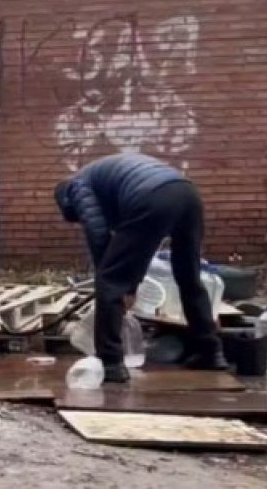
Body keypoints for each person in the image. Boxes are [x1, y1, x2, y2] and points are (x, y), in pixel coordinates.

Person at [54, 152, 227, 383]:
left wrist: (113, 279)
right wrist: (130, 285)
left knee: (108, 281)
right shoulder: (104, 183)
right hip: (187, 194)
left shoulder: (76, 187)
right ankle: (210, 352)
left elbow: (98, 235)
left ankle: (111, 363)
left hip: (153, 195)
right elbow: (140, 248)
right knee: (189, 277)